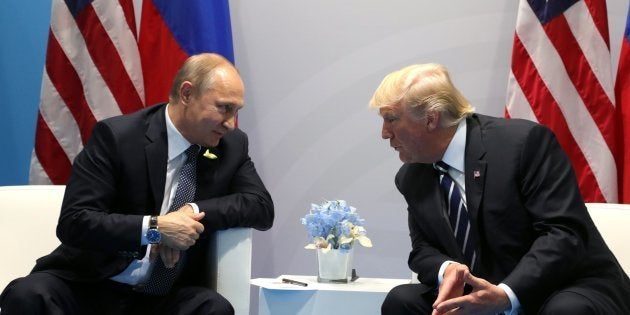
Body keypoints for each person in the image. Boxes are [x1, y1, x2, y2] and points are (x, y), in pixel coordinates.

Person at [0, 53, 274, 314]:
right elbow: (75, 221)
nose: (230, 123)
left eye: (236, 111)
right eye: (224, 108)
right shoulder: (118, 138)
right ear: (187, 93)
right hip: (92, 284)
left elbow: (261, 207)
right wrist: (155, 228)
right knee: (28, 294)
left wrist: (189, 212)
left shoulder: (231, 145)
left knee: (213, 308)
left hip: (162, 297)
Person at [370, 63, 630, 314]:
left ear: (430, 119)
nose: (384, 133)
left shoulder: (522, 144)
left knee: (565, 310)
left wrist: (506, 295)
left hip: (561, 285)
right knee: (402, 301)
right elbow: (423, 249)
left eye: (391, 119)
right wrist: (447, 269)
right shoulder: (413, 177)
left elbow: (563, 233)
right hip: (482, 293)